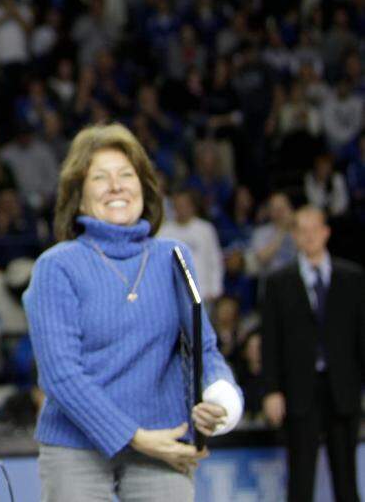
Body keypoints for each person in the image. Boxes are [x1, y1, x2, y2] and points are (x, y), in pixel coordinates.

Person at [23, 123, 243, 501]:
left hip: (165, 438)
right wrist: (135, 437)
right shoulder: (56, 266)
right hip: (78, 449)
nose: (116, 186)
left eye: (127, 175)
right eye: (100, 178)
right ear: (78, 195)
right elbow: (61, 375)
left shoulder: (174, 257)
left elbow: (203, 349)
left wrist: (219, 401)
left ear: (144, 187)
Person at [261, 206, 365, 502]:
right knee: (300, 479)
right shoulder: (279, 282)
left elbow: (361, 337)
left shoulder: (353, 278)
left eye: (314, 229)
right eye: (301, 231)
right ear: (294, 236)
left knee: (347, 479)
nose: (308, 236)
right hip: (299, 390)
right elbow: (271, 340)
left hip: (343, 388)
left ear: (326, 232)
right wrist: (271, 390)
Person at [157, 189, 224, 304]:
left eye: (184, 205)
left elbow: (215, 260)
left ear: (192, 206)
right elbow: (158, 264)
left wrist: (215, 289)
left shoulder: (205, 229)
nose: (181, 209)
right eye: (178, 205)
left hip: (203, 292)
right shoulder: (164, 232)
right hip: (173, 295)